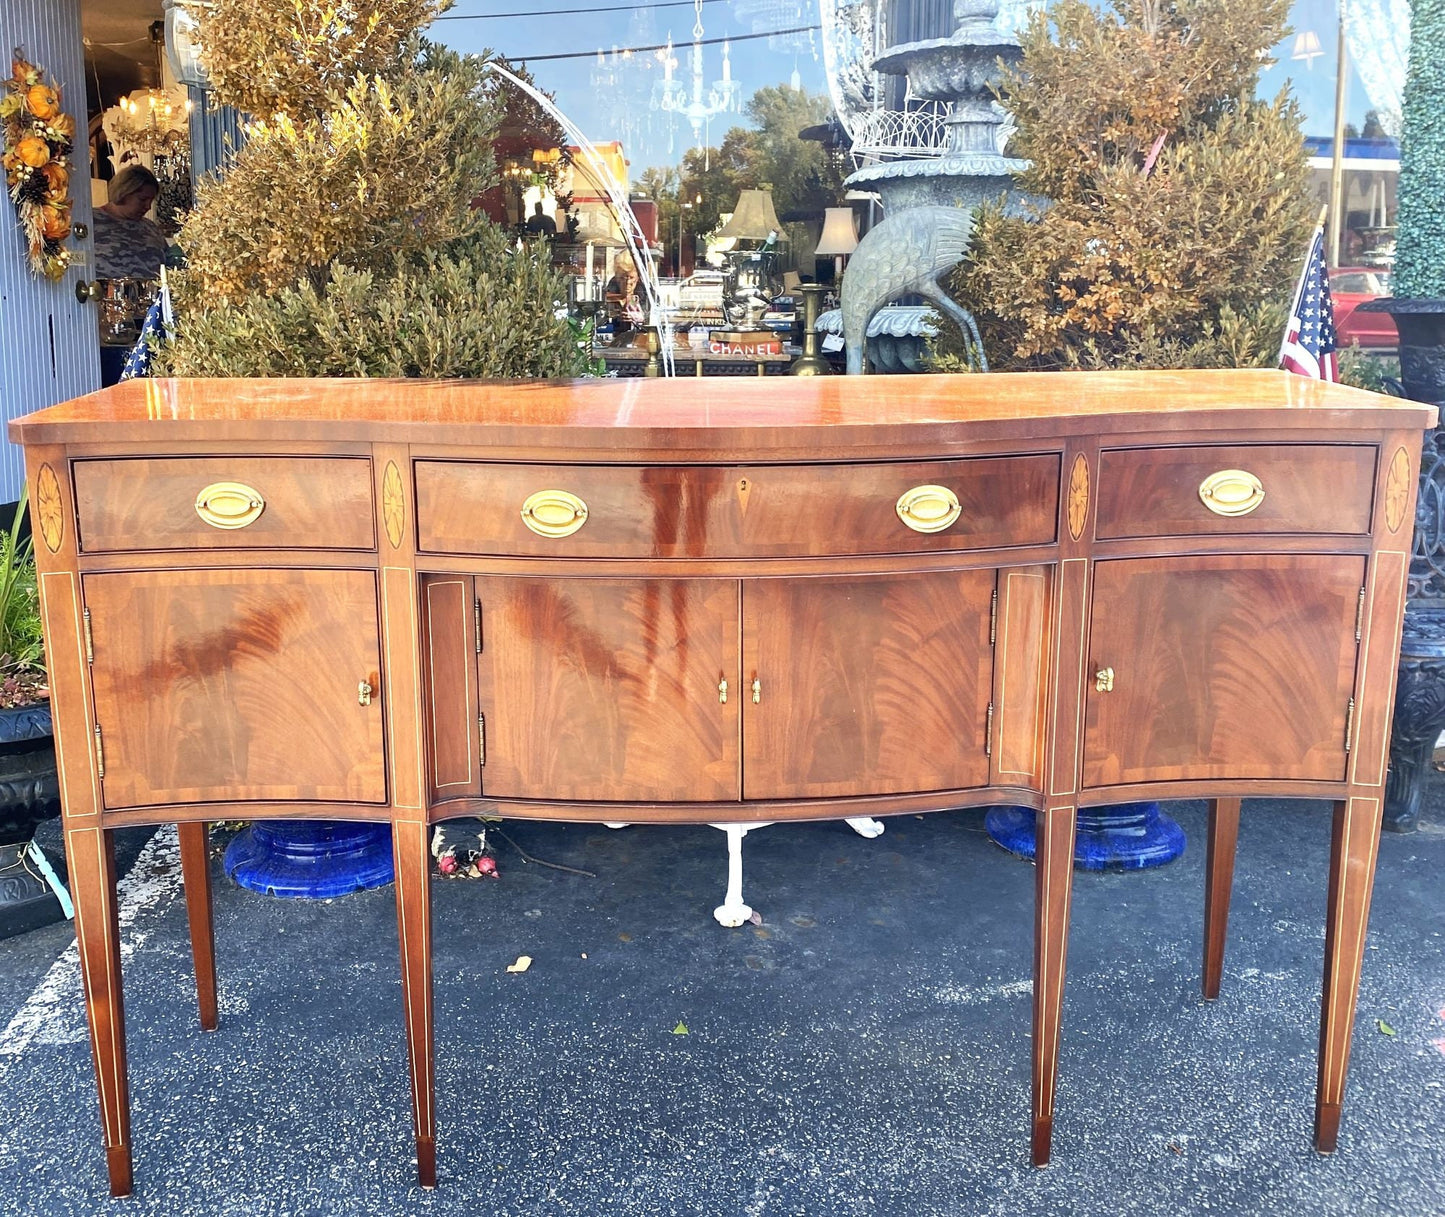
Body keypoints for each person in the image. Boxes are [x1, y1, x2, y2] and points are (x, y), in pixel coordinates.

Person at [92, 165, 168, 281]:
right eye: (142, 199)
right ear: (124, 193)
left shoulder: (151, 228)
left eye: (150, 201)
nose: (147, 207)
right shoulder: (91, 221)